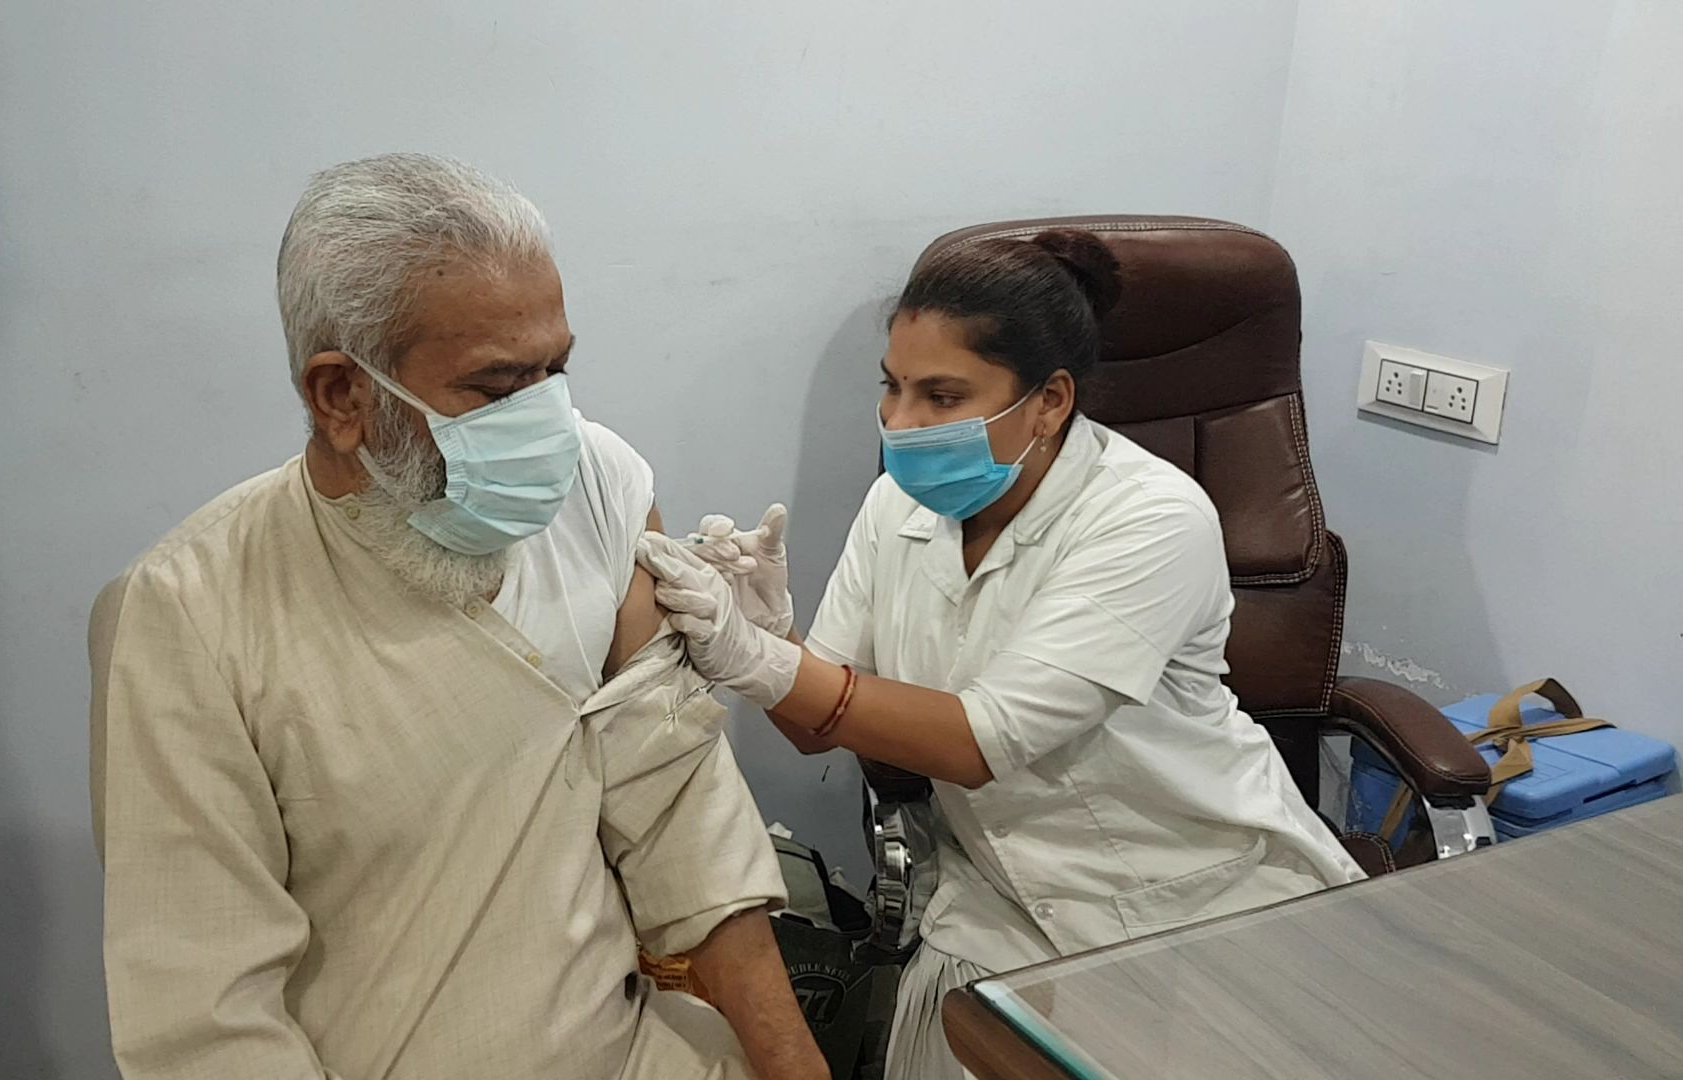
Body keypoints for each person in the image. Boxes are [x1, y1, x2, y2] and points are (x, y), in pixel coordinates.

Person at [88, 154, 827, 1080]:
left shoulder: (597, 486)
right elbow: (208, 1015)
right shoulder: (188, 612)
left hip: (633, 1054)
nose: (548, 422)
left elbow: (677, 803)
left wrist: (794, 1066)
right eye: (496, 388)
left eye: (556, 370)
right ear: (342, 395)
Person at [637, 228, 1367, 1079]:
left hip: (1192, 891)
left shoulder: (1151, 517)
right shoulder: (895, 506)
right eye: (893, 387)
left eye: (942, 396)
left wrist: (764, 664)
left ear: (1050, 400)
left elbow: (984, 741)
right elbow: (814, 727)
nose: (899, 422)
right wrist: (772, 638)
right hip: (999, 900)